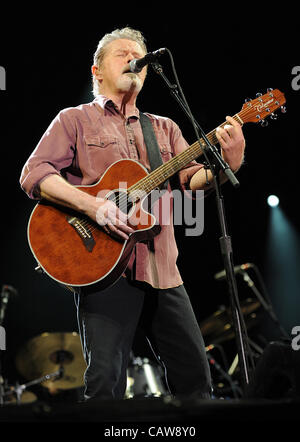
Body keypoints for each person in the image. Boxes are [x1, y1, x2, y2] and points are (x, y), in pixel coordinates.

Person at [20, 27, 245, 401]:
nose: (133, 60)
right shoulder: (74, 119)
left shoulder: (164, 128)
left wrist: (230, 159)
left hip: (163, 268)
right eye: (122, 53)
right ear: (96, 71)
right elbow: (34, 174)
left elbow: (194, 181)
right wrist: (93, 205)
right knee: (105, 381)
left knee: (195, 380)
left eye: (138, 56)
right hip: (104, 269)